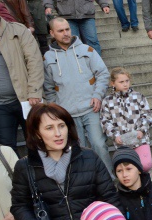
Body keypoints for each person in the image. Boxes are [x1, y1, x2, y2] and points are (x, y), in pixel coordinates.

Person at [44, 17, 113, 176]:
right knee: (78, 151)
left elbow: (103, 74)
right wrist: (55, 111)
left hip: (91, 108)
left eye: (67, 29)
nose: (66, 33)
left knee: (99, 145)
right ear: (52, 33)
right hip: (67, 114)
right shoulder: (47, 58)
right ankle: (89, 184)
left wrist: (98, 95)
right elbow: (48, 88)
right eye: (60, 31)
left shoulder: (87, 50)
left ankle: (108, 179)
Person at [0, 0, 43, 151]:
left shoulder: (18, 31)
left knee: (37, 145)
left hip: (26, 100)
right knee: (5, 149)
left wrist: (34, 91)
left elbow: (34, 61)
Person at [100, 67, 152, 151]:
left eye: (127, 81)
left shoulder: (138, 96)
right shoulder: (107, 101)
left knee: (145, 163)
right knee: (127, 164)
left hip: (140, 140)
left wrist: (142, 130)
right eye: (121, 82)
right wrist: (115, 135)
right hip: (122, 143)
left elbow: (147, 115)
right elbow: (105, 121)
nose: (125, 84)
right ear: (113, 83)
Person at [43, 0, 109, 56]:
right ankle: (77, 66)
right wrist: (48, 5)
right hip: (67, 14)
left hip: (87, 13)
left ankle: (97, 65)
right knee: (72, 43)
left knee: (92, 41)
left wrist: (104, 4)